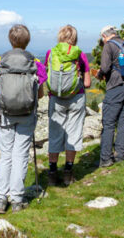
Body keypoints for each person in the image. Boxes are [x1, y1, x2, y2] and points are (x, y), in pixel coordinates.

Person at [0, 24, 47, 214]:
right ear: (28, 41)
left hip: (5, 114)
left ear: (10, 41)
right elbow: (41, 92)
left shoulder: (0, 60)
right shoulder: (34, 62)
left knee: (6, 154)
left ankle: (1, 199)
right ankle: (17, 199)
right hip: (27, 114)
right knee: (21, 155)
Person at [44, 25, 91, 186]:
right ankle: (68, 173)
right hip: (76, 98)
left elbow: (47, 75)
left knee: (55, 134)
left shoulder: (51, 53)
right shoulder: (80, 54)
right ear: (75, 38)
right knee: (73, 134)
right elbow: (87, 82)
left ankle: (51, 173)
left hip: (56, 99)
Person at [96, 25, 124, 168]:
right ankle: (120, 155)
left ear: (104, 36)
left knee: (109, 123)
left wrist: (99, 75)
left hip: (115, 87)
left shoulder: (109, 46)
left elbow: (105, 68)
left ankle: (105, 158)